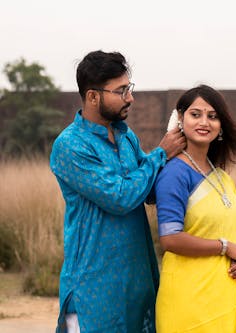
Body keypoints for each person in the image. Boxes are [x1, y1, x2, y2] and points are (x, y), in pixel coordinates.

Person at [50, 50, 185, 333]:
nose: (130, 98)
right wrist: (161, 154)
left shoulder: (125, 136)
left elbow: (146, 192)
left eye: (129, 88)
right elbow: (120, 197)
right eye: (121, 91)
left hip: (136, 284)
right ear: (92, 97)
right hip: (93, 291)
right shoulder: (70, 146)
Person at [154, 85, 236, 332]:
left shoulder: (222, 177)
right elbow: (170, 238)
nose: (204, 122)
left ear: (221, 125)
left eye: (212, 116)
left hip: (224, 296)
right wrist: (226, 247)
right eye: (196, 114)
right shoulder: (174, 173)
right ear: (180, 119)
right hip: (189, 301)